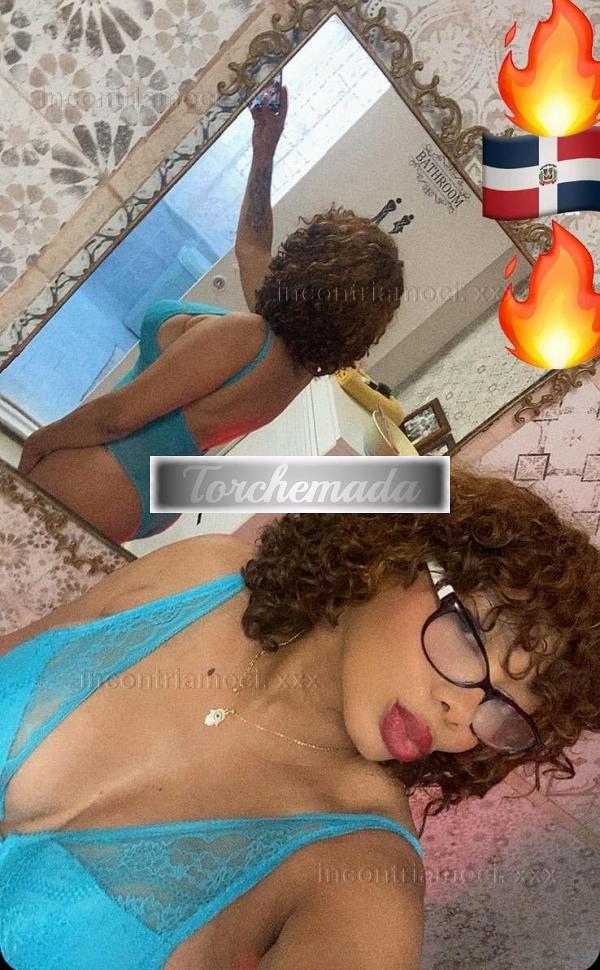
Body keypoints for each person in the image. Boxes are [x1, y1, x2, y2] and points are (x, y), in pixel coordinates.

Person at [1, 466, 599, 969]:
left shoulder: (363, 878)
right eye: (470, 636)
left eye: (505, 709)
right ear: (398, 554)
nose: (462, 712)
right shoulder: (200, 573)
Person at [16, 85, 405, 543]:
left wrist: (41, 440)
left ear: (308, 259)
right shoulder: (295, 362)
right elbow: (253, 246)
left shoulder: (247, 334)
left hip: (105, 473)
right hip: (148, 500)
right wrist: (264, 148)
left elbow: (117, 417)